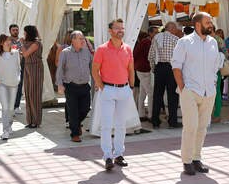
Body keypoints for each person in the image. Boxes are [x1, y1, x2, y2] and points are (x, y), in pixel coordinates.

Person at [172, 12, 222, 176]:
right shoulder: (184, 42)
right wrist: (183, 88)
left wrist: (213, 82)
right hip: (190, 90)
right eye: (208, 22)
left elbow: (216, 65)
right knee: (191, 126)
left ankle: (196, 158)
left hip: (209, 91)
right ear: (198, 24)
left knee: (202, 127)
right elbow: (176, 67)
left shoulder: (213, 42)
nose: (211, 25)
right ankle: (186, 161)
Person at [92, 19, 135, 171]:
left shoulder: (128, 49)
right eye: (117, 28)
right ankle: (107, 156)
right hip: (108, 90)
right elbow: (94, 70)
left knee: (121, 125)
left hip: (124, 89)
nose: (120, 31)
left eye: (122, 28)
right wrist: (102, 86)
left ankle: (119, 154)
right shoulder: (102, 49)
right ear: (110, 31)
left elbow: (131, 69)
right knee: (106, 125)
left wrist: (131, 86)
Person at [56, 31, 92, 142]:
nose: (83, 41)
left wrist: (97, 83)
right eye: (80, 38)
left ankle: (76, 124)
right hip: (71, 86)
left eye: (83, 38)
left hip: (85, 86)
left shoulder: (86, 52)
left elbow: (92, 68)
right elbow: (60, 69)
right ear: (73, 40)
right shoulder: (65, 53)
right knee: (73, 111)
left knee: (85, 109)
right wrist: (60, 84)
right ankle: (75, 133)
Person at [148, 22, 181, 129]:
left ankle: (155, 121)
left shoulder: (156, 38)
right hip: (172, 69)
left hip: (160, 68)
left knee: (157, 95)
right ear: (172, 29)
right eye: (175, 29)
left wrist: (154, 69)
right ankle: (173, 121)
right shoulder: (176, 39)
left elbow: (151, 56)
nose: (176, 31)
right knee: (173, 96)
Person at [0, 34, 21, 140]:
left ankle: (9, 125)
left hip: (14, 83)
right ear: (1, 43)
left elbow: (19, 68)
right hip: (2, 84)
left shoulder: (16, 53)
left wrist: (18, 78)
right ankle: (5, 130)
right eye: (6, 41)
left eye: (9, 40)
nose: (8, 42)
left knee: (10, 108)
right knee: (4, 107)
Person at [20, 25, 44, 128]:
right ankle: (29, 120)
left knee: (35, 94)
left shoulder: (36, 43)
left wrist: (21, 44)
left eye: (25, 32)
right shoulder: (27, 43)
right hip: (27, 67)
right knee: (28, 94)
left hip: (36, 68)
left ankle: (36, 121)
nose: (23, 34)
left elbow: (25, 54)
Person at [133, 28, 155, 122]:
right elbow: (149, 56)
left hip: (139, 68)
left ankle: (141, 114)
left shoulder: (141, 43)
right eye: (155, 32)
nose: (156, 34)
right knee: (150, 93)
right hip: (145, 69)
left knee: (142, 92)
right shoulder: (147, 42)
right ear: (149, 34)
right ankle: (150, 114)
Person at [211, 27, 225, 123]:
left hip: (213, 69)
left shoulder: (205, 39)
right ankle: (216, 114)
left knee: (215, 93)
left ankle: (215, 115)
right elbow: (226, 53)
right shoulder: (219, 39)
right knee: (217, 92)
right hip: (216, 69)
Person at [9, 24, 24, 115]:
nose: (15, 31)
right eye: (13, 30)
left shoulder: (21, 40)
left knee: (19, 86)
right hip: (11, 66)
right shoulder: (8, 40)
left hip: (21, 65)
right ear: (10, 31)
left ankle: (16, 106)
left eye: (17, 30)